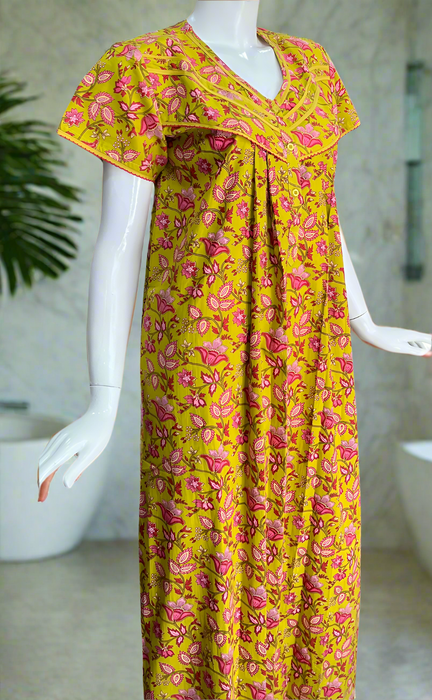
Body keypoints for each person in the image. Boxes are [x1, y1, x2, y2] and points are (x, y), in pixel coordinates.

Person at [38, 2, 432, 698]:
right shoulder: (145, 67)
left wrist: (364, 318)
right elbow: (118, 242)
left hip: (313, 358)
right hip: (203, 357)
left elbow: (321, 208)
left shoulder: (313, 67)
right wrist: (103, 400)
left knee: (315, 546)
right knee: (205, 549)